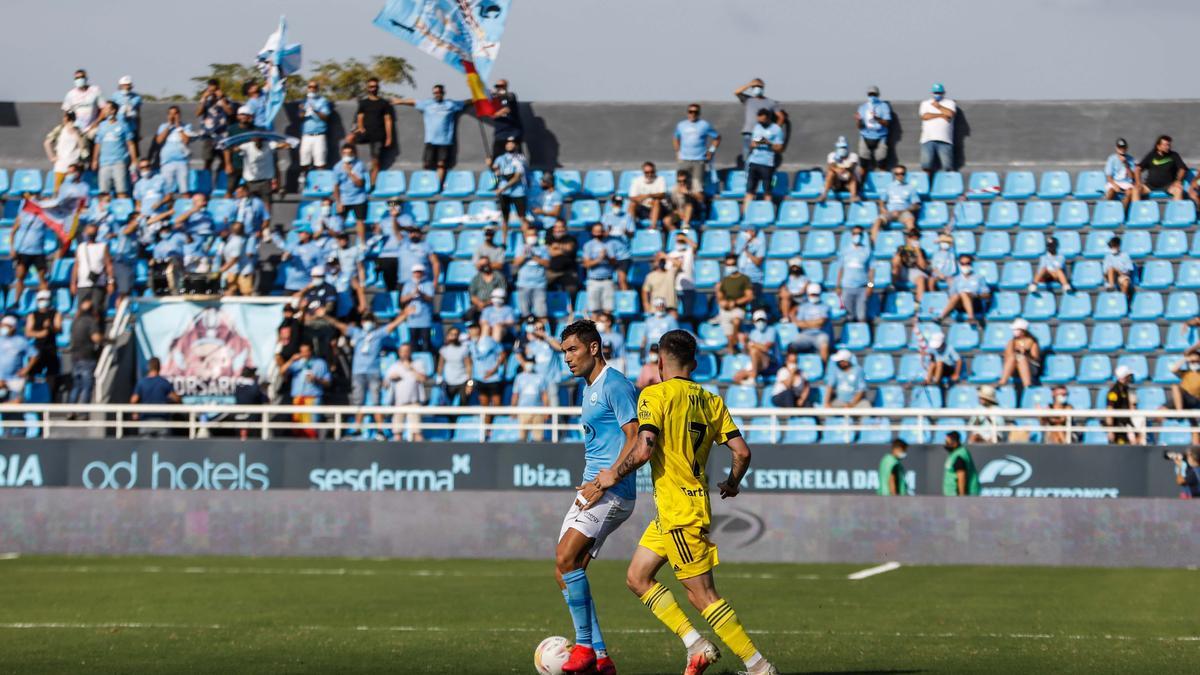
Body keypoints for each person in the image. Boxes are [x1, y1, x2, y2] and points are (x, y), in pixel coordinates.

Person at [582, 329, 778, 675]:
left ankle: (758, 665)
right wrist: (732, 483)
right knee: (637, 577)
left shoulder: (654, 395)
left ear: (659, 362)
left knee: (702, 596)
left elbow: (644, 448)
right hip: (678, 510)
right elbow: (742, 453)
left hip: (679, 512)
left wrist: (615, 473)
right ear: (695, 363)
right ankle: (696, 645)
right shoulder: (711, 400)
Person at [539, 320, 639, 675]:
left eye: (572, 350)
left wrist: (610, 477)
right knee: (564, 571)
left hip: (613, 491)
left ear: (594, 348)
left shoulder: (615, 384)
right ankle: (600, 657)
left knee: (566, 557)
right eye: (564, 351)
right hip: (591, 488)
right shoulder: (589, 386)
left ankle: (583, 648)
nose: (566, 357)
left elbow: (636, 438)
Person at [394, 84, 466, 188]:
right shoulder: (427, 104)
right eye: (435, 93)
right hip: (430, 140)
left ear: (443, 93)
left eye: (438, 93)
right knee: (427, 165)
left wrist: (478, 98)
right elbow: (414, 101)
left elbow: (465, 102)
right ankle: (428, 186)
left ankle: (437, 186)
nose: (437, 95)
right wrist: (399, 101)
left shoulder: (450, 104)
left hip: (445, 141)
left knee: (441, 164)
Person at [10, 194, 57, 304]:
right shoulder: (22, 215)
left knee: (42, 278)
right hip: (23, 251)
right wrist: (12, 248)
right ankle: (16, 301)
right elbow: (13, 232)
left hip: (38, 251)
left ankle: (45, 303)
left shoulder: (43, 215)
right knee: (20, 277)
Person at [348, 77, 394, 187]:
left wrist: (389, 137)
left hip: (378, 135)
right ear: (367, 88)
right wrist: (360, 127)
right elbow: (360, 116)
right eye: (371, 86)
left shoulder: (384, 103)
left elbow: (388, 120)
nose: (373, 88)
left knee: (376, 161)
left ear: (378, 88)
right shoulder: (363, 102)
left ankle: (372, 185)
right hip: (365, 133)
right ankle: (354, 164)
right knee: (349, 139)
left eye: (375, 86)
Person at [283, 342, 330, 439]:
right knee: (297, 429)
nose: (304, 354)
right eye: (302, 352)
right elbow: (282, 371)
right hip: (298, 399)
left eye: (306, 351)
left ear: (311, 351)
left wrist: (316, 379)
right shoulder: (296, 363)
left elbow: (328, 382)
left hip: (312, 400)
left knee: (311, 429)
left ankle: (312, 449)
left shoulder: (320, 363)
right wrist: (291, 360)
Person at [742, 108, 784, 215]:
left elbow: (779, 148)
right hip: (754, 162)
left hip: (767, 164)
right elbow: (752, 143)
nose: (760, 122)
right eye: (759, 120)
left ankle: (767, 215)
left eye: (763, 120)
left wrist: (768, 143)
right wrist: (755, 143)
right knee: (750, 191)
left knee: (767, 192)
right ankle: (745, 216)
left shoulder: (776, 129)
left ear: (768, 118)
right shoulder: (757, 127)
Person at [734, 77, 784, 167]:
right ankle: (748, 176)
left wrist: (775, 129)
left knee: (762, 155)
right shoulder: (748, 100)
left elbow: (781, 116)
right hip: (749, 133)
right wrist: (749, 84)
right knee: (747, 156)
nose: (757, 88)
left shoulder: (771, 102)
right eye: (755, 86)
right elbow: (737, 92)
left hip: (762, 134)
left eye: (759, 86)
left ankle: (763, 175)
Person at [92, 102, 137, 197]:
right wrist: (95, 160)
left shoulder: (123, 125)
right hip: (104, 162)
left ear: (113, 110)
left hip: (119, 161)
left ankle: (122, 210)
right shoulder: (102, 126)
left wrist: (134, 160)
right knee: (104, 192)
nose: (104, 111)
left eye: (107, 108)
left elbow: (130, 144)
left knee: (121, 190)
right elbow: (98, 144)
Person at [67, 297, 104, 411]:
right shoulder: (90, 321)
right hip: (87, 357)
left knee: (76, 386)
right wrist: (107, 340)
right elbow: (96, 338)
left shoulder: (75, 322)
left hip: (75, 357)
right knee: (86, 386)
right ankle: (83, 412)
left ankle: (70, 411)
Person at [385, 343, 428, 442]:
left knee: (417, 433)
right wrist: (391, 379)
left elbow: (423, 379)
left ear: (410, 352)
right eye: (402, 351)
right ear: (399, 353)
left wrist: (411, 369)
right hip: (398, 404)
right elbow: (385, 384)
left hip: (414, 403)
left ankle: (422, 455)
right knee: (397, 434)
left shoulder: (418, 364)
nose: (404, 353)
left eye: (406, 351)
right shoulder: (394, 366)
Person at [674, 103, 720, 192]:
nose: (693, 114)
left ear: (699, 113)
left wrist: (711, 151)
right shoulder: (681, 125)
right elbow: (676, 137)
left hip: (699, 160)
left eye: (695, 112)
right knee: (682, 185)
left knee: (697, 187)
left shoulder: (704, 125)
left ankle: (697, 205)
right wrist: (677, 152)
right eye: (690, 112)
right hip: (684, 159)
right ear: (687, 113)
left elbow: (717, 137)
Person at [466, 321, 507, 422]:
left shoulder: (489, 341)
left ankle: (497, 428)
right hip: (479, 379)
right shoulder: (469, 345)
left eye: (474, 328)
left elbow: (502, 354)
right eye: (470, 329)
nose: (472, 331)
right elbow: (469, 365)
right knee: (484, 405)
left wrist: (493, 370)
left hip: (493, 379)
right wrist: (469, 382)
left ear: (479, 329)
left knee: (497, 404)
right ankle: (487, 430)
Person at [24, 290, 61, 399]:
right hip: (37, 349)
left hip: (51, 349)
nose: (43, 302)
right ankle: (31, 396)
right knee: (32, 373)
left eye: (45, 299)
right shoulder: (33, 315)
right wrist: (40, 333)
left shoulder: (55, 313)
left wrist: (50, 327)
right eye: (41, 299)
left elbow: (59, 329)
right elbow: (28, 332)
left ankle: (50, 398)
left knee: (52, 376)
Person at [715, 254, 753, 355]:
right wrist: (722, 301)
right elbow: (720, 296)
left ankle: (731, 346)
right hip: (726, 310)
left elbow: (749, 296)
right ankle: (732, 347)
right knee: (728, 332)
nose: (730, 267)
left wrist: (735, 302)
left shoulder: (744, 279)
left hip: (739, 309)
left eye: (732, 264)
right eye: (728, 264)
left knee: (736, 322)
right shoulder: (724, 280)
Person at [71, 222, 114, 312]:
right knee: (81, 310)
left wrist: (110, 282)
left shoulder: (102, 246)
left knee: (96, 309)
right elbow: (76, 266)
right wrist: (73, 283)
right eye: (89, 233)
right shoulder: (80, 247)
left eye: (93, 233)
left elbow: (108, 265)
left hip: (98, 284)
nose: (91, 235)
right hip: (83, 284)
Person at [195, 79, 234, 179]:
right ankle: (206, 182)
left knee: (225, 161)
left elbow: (230, 112)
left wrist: (221, 98)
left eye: (214, 88)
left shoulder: (224, 99)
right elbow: (198, 113)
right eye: (210, 88)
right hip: (208, 135)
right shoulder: (205, 100)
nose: (212, 91)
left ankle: (219, 179)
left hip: (222, 135)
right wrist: (204, 98)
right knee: (207, 161)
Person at [872, 164, 921, 243]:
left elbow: (916, 205)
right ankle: (875, 245)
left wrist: (904, 210)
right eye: (897, 174)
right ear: (894, 175)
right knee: (877, 221)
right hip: (890, 212)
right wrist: (882, 208)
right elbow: (881, 200)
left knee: (910, 223)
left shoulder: (911, 187)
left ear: (905, 174)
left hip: (904, 211)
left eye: (902, 173)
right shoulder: (889, 186)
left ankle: (910, 248)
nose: (900, 176)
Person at [837, 225, 874, 323]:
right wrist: (838, 285)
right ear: (851, 235)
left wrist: (870, 286)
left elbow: (871, 270)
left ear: (862, 236)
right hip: (847, 287)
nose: (857, 236)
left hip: (862, 288)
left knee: (861, 316)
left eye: (859, 234)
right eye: (854, 233)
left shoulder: (867, 251)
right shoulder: (845, 251)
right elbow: (841, 269)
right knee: (848, 316)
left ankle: (863, 336)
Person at [493, 137, 529, 233]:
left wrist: (502, 188)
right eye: (508, 143)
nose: (510, 145)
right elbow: (496, 176)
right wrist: (496, 184)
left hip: (518, 192)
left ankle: (527, 242)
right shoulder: (499, 159)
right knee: (505, 218)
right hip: (504, 193)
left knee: (522, 217)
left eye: (512, 143)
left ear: (516, 145)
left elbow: (517, 177)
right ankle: (504, 243)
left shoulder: (520, 158)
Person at [939, 254, 988, 326]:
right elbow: (951, 296)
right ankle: (941, 317)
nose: (965, 266)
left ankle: (971, 317)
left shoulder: (979, 277)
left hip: (975, 303)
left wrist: (975, 295)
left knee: (963, 293)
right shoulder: (956, 279)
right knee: (958, 295)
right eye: (962, 264)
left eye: (967, 263)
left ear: (971, 264)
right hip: (960, 305)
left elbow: (987, 294)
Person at [332, 145, 369, 239]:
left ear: (354, 153)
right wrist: (338, 202)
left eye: (349, 153)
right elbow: (335, 186)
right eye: (345, 153)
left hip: (359, 198)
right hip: (344, 198)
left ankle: (362, 244)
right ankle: (337, 243)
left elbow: (360, 183)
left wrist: (350, 172)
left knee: (360, 221)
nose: (347, 155)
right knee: (339, 222)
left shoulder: (359, 165)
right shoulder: (337, 167)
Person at [1134, 134, 1186, 201]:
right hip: (1150, 186)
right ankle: (1137, 210)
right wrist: (1138, 182)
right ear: (1158, 146)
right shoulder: (1151, 155)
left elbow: (1182, 169)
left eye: (1169, 145)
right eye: (1165, 145)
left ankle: (1178, 211)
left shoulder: (1174, 155)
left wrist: (1178, 181)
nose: (1168, 147)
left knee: (1178, 189)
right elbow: (1138, 169)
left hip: (1168, 186)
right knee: (1135, 189)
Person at [919, 83, 956, 175]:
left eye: (939, 93)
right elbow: (925, 116)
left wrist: (938, 106)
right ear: (932, 93)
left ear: (943, 93)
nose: (937, 94)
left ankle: (946, 186)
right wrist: (942, 115)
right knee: (926, 165)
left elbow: (950, 114)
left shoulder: (950, 103)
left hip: (945, 140)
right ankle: (927, 185)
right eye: (935, 92)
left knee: (947, 166)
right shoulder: (925, 103)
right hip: (928, 139)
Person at [789, 283, 832, 364]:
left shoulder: (825, 306)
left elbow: (821, 323)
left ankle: (824, 369)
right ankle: (791, 368)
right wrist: (815, 323)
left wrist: (806, 324)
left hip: (821, 334)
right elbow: (798, 324)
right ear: (808, 294)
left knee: (824, 345)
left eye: (816, 294)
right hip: (806, 335)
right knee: (792, 346)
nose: (814, 296)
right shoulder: (803, 306)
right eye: (812, 294)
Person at [44, 112, 86, 194]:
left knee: (74, 190)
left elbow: (82, 146)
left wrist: (75, 132)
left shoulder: (78, 130)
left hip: (74, 165)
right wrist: (52, 157)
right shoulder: (59, 129)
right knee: (58, 190)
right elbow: (47, 143)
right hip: (61, 165)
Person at [0, 317, 36, 410]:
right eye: (2, 326)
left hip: (15, 379)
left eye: (6, 326)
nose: (3, 328)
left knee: (16, 403)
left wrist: (26, 369)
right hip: (1, 381)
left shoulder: (20, 341)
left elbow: (34, 355)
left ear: (13, 328)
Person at [398, 263, 436, 352]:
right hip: (412, 320)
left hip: (425, 319)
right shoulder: (408, 285)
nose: (417, 274)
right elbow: (402, 299)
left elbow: (430, 298)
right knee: (413, 342)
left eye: (419, 272)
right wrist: (412, 294)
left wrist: (421, 293)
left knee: (426, 343)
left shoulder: (428, 284)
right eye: (415, 272)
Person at [155, 106, 191, 197]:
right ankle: (169, 208)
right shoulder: (163, 126)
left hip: (182, 161)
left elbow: (186, 140)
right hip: (167, 162)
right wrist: (169, 126)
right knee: (168, 190)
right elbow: (159, 140)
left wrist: (178, 127)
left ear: (179, 114)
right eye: (171, 114)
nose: (173, 116)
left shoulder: (186, 126)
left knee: (184, 189)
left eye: (175, 113)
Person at [735, 310, 778, 384]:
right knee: (737, 377)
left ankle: (753, 376)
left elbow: (766, 348)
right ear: (754, 321)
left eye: (762, 320)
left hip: (769, 362)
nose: (760, 322)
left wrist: (752, 344)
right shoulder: (753, 332)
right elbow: (747, 351)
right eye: (758, 320)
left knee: (754, 351)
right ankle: (751, 379)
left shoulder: (771, 330)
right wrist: (745, 342)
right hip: (756, 362)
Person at [299, 81, 332, 178]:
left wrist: (314, 110)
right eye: (310, 87)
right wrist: (303, 110)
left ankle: (320, 182)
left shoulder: (322, 101)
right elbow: (300, 116)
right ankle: (304, 182)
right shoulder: (304, 101)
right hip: (306, 135)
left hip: (319, 135)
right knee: (304, 161)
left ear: (317, 88)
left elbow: (325, 117)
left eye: (314, 87)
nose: (312, 89)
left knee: (320, 161)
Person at [582, 223, 617, 314]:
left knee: (608, 310)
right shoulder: (588, 245)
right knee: (594, 310)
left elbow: (614, 263)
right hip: (594, 281)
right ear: (592, 232)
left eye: (600, 231)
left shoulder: (610, 244)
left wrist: (607, 257)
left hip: (607, 280)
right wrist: (599, 259)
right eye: (596, 231)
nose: (598, 233)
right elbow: (586, 264)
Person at [514, 231, 550, 319]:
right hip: (523, 284)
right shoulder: (520, 248)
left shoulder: (543, 248)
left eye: (534, 234)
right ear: (525, 236)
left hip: (539, 285)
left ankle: (544, 331)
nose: (532, 237)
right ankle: (527, 332)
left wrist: (533, 256)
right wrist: (525, 255)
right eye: (529, 235)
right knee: (525, 314)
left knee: (541, 314)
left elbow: (547, 263)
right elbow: (516, 263)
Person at [511, 360, 549, 442]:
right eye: (527, 362)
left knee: (538, 439)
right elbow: (515, 395)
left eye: (531, 362)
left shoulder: (540, 377)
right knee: (522, 438)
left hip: (538, 411)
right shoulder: (519, 377)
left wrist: (546, 410)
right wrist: (513, 409)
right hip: (523, 411)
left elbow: (544, 395)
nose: (529, 364)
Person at [546, 220, 580, 311]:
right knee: (540, 285)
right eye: (557, 227)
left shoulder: (571, 238)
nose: (559, 229)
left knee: (572, 287)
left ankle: (572, 309)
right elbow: (551, 252)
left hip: (568, 271)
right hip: (552, 272)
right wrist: (563, 249)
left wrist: (557, 246)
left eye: (561, 227)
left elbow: (570, 248)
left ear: (565, 228)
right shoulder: (550, 238)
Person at [856, 85, 891, 172]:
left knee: (881, 161)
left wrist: (877, 118)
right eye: (870, 94)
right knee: (863, 163)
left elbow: (887, 123)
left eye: (874, 94)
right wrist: (859, 120)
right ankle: (861, 183)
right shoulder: (862, 107)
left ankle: (884, 181)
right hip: (865, 136)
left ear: (878, 95)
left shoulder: (884, 106)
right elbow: (860, 127)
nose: (872, 96)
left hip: (880, 137)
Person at [436, 326, 473, 408]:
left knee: (464, 404)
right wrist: (439, 377)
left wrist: (470, 384)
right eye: (452, 334)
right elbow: (440, 365)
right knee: (447, 406)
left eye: (456, 334)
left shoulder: (464, 349)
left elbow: (469, 367)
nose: (454, 336)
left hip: (463, 381)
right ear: (447, 336)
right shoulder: (443, 350)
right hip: (449, 382)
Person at [237, 136, 279, 206]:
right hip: (250, 182)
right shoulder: (246, 146)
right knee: (249, 205)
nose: (257, 140)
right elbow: (234, 149)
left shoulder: (269, 144)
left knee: (266, 204)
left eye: (259, 139)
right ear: (252, 139)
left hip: (265, 181)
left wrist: (290, 142)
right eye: (255, 139)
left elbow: (283, 145)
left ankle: (267, 217)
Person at [999, 318, 1041, 388]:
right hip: (1013, 368)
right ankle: (1002, 382)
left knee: (1022, 359)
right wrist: (1016, 352)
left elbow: (1035, 357)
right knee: (1014, 357)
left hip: (1030, 367)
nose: (1014, 331)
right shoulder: (1011, 342)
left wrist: (1026, 353)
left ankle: (1027, 385)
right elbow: (1008, 357)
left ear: (1023, 330)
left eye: (1016, 329)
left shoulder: (1032, 342)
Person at [818, 136, 862, 202]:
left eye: (844, 147)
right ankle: (824, 195)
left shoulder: (853, 156)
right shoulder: (832, 155)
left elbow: (852, 166)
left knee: (852, 174)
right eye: (840, 147)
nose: (842, 149)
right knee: (830, 173)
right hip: (837, 182)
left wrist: (844, 168)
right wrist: (838, 169)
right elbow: (831, 166)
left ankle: (853, 196)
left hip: (849, 183)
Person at [1104, 365, 1140, 445]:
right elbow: (1109, 410)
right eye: (1128, 376)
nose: (1130, 378)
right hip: (1118, 427)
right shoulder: (1114, 391)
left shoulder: (1126, 389)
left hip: (1126, 425)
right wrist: (1110, 430)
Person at [892, 229, 930, 302]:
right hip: (902, 271)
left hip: (915, 271)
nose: (914, 241)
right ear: (908, 238)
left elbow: (923, 266)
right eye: (912, 238)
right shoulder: (901, 248)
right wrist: (901, 253)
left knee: (921, 279)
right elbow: (895, 263)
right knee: (895, 268)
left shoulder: (921, 251)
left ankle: (919, 303)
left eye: (916, 239)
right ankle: (892, 288)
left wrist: (917, 251)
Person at [628, 162, 668, 229]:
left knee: (656, 201)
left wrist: (647, 195)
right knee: (632, 204)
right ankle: (630, 227)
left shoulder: (660, 179)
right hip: (643, 208)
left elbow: (662, 194)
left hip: (658, 209)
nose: (649, 174)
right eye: (647, 172)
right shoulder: (637, 181)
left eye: (652, 172)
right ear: (643, 172)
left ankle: (653, 226)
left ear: (655, 171)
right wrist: (645, 197)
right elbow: (632, 197)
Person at [467, 258, 507, 324]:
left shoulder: (499, 277)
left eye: (486, 264)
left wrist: (486, 304)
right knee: (468, 315)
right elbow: (472, 295)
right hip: (478, 305)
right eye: (482, 265)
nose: (485, 266)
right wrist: (479, 304)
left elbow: (502, 293)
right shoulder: (476, 278)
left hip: (495, 305)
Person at [489, 79, 523, 158]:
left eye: (501, 86)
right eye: (497, 86)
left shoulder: (510, 96)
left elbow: (507, 109)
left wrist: (495, 114)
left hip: (512, 132)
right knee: (495, 157)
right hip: (500, 133)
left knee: (516, 156)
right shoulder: (494, 99)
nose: (499, 88)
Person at [942, 431, 981, 496]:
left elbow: (961, 477)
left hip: (960, 495)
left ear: (954, 442)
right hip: (953, 496)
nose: (946, 444)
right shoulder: (954, 453)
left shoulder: (959, 456)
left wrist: (961, 497)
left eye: (947, 442)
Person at [734, 223, 766, 297]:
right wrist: (736, 245)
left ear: (753, 232)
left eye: (746, 231)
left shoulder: (759, 244)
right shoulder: (742, 243)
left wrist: (747, 252)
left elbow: (758, 261)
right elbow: (733, 258)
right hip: (741, 279)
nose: (744, 234)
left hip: (754, 280)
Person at [1103, 138, 1136, 207]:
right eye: (1120, 148)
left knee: (1129, 192)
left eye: (1123, 148)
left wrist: (1126, 164)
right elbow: (1109, 176)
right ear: (1116, 148)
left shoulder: (1131, 159)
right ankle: (1106, 210)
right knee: (1111, 191)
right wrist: (1115, 185)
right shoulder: (1112, 159)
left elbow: (1132, 177)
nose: (1122, 150)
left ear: (1126, 148)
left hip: (1126, 183)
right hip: (1114, 182)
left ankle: (1123, 212)